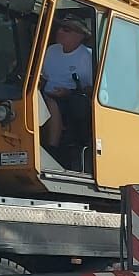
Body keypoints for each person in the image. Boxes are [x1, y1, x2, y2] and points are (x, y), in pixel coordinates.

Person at [40, 15, 95, 166]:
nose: (60, 32)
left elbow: (94, 89)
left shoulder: (88, 57)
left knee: (51, 103)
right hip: (46, 95)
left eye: (66, 29)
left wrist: (68, 92)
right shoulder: (51, 50)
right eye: (60, 28)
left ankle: (52, 150)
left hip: (72, 98)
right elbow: (44, 78)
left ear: (80, 35)